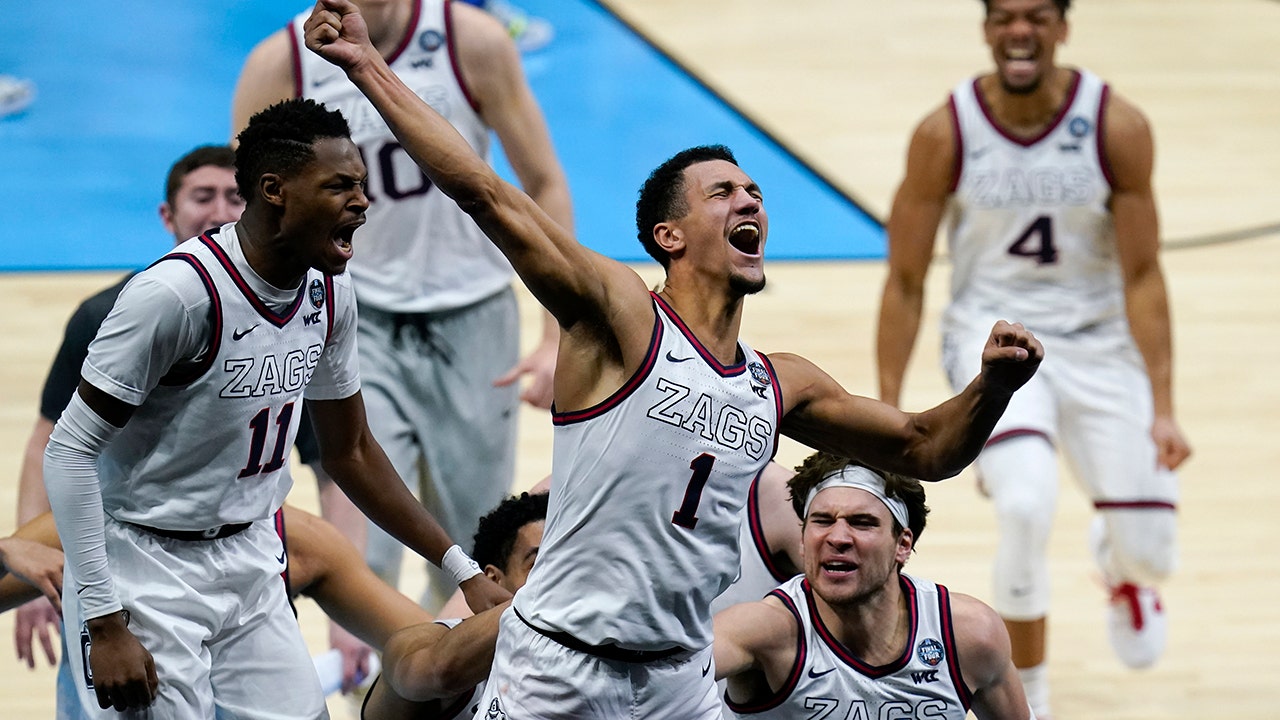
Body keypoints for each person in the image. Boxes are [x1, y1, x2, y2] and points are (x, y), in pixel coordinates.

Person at [305, 3, 1044, 716]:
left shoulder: (780, 382)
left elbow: (927, 448)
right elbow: (487, 193)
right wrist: (369, 65)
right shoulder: (620, 317)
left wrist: (994, 387)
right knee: (426, 667)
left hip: (681, 678)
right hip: (562, 665)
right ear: (669, 235)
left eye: (754, 191)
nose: (748, 200)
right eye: (722, 192)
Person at [43, 98, 506, 716]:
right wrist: (102, 619)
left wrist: (461, 566)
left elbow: (353, 451)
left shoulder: (330, 290)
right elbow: (67, 451)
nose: (363, 203)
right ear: (275, 190)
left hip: (254, 556)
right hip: (143, 565)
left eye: (362, 186)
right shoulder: (176, 297)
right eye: (340, 186)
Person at [875, 0, 1191, 715]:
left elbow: (1144, 275)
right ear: (987, 29)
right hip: (995, 338)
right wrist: (890, 407)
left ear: (1062, 26)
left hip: (1100, 342)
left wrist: (1165, 406)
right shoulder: (944, 132)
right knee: (1023, 504)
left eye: (1038, 15)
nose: (1021, 31)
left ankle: (1124, 568)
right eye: (1006, 16)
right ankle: (1031, 699)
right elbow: (905, 278)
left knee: (1155, 552)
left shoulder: (1116, 126)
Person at [232, 0, 574, 611]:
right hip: (350, 315)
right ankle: (376, 694)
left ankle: (465, 694)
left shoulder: (473, 41)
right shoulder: (277, 63)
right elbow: (253, 213)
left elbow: (542, 182)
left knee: (472, 540)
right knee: (369, 544)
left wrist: (555, 334)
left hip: (473, 312)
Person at [12, 144, 375, 692]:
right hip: (134, 546)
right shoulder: (119, 312)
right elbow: (54, 446)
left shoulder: (312, 300)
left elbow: (338, 463)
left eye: (233, 196)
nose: (219, 210)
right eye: (202, 196)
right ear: (168, 215)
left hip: (251, 542)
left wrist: (368, 604)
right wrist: (68, 591)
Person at [713, 453, 1031, 719]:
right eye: (822, 521)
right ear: (802, 541)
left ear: (903, 544)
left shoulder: (970, 635)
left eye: (861, 522)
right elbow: (667, 677)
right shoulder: (763, 631)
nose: (837, 538)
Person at [361, 490, 549, 720]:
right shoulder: (427, 643)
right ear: (493, 579)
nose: (561, 577)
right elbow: (439, 672)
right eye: (540, 564)